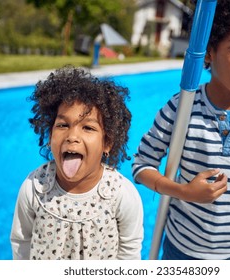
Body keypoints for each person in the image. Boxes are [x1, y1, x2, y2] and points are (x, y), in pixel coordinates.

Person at [132, 0, 230, 260]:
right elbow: (141, 165)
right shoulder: (182, 107)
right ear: (209, 51)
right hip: (181, 248)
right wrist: (183, 192)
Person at [11, 65, 143, 260]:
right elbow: (21, 242)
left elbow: (129, 252)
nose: (72, 136)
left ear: (107, 143)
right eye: (63, 125)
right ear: (49, 135)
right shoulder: (35, 188)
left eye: (88, 128)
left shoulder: (120, 194)